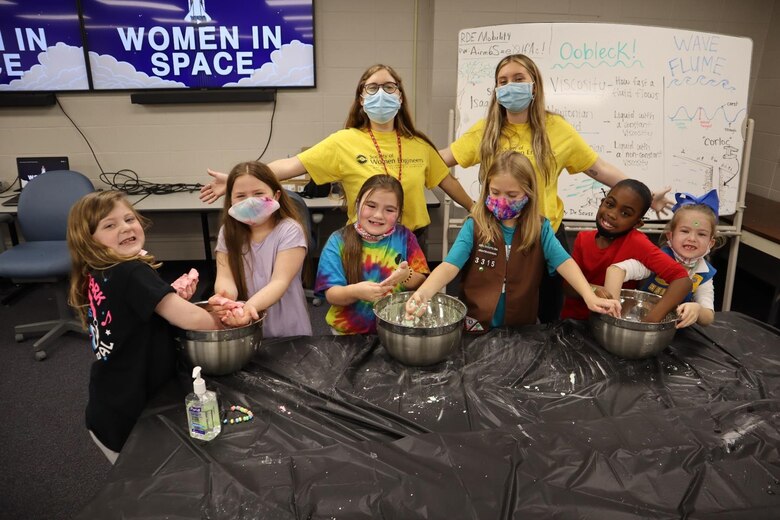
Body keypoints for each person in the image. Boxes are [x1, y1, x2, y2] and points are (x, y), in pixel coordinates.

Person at [438, 54, 674, 322]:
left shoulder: (556, 129)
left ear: (534, 85)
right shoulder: (486, 130)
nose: (510, 86)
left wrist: (645, 194)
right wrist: (471, 205)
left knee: (549, 309)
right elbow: (436, 162)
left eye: (518, 79)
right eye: (502, 81)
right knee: (491, 302)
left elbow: (599, 168)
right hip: (496, 234)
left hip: (544, 233)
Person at [66, 191, 252, 463]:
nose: (125, 227)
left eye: (129, 218)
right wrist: (227, 319)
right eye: (110, 225)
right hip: (131, 414)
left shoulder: (99, 271)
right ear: (88, 239)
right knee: (143, 488)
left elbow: (132, 311)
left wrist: (167, 298)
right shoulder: (132, 272)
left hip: (108, 402)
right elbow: (191, 320)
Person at [199, 64, 474, 235]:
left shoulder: (419, 143)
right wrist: (241, 179)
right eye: (372, 87)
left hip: (413, 239)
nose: (381, 93)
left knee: (408, 312)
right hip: (365, 240)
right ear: (361, 98)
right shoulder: (344, 141)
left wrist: (475, 210)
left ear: (400, 96)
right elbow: (291, 166)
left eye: (389, 87)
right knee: (365, 314)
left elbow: (446, 181)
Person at [405, 151, 620, 332]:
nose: (502, 201)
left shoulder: (540, 228)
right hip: (476, 325)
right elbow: (449, 266)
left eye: (512, 195)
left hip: (521, 327)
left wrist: (588, 294)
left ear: (529, 194)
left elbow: (565, 262)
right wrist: (423, 293)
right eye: (495, 192)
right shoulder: (475, 225)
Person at [561, 179, 692, 323]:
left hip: (614, 326)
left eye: (625, 213)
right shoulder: (582, 239)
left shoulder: (637, 243)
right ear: (602, 202)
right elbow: (567, 287)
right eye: (610, 204)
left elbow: (682, 280)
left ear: (637, 223)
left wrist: (650, 321)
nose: (612, 214)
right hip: (576, 322)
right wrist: (592, 290)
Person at [315, 174, 429, 334]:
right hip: (348, 334)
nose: (378, 215)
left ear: (398, 213)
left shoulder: (405, 237)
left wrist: (407, 276)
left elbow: (420, 280)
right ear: (357, 204)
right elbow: (332, 294)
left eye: (389, 209)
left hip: (396, 330)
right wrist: (355, 292)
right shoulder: (338, 241)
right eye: (371, 206)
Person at [210, 161, 312, 338]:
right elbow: (225, 277)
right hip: (245, 325)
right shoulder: (227, 232)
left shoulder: (290, 230)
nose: (250, 202)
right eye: (241, 196)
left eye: (258, 194)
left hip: (286, 327)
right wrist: (225, 299)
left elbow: (279, 282)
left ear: (276, 195)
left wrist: (249, 308)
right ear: (230, 200)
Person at [603, 189, 721, 328]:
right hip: (639, 321)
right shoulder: (658, 260)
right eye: (684, 231)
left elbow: (708, 317)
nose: (692, 238)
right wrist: (613, 310)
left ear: (711, 243)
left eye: (701, 234)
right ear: (670, 236)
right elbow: (616, 270)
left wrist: (697, 309)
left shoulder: (704, 273)